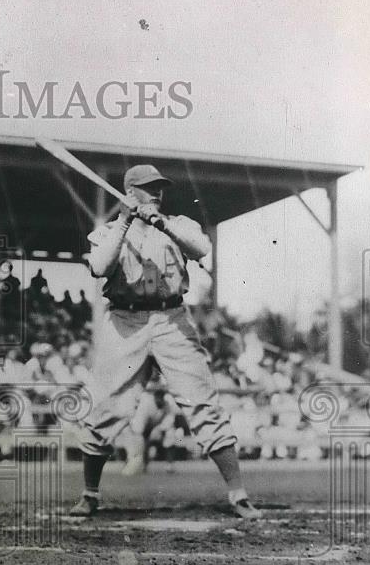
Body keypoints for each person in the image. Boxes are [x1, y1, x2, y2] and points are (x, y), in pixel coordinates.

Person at [70, 164, 263, 520]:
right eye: (148, 187)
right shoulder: (109, 231)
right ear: (130, 192)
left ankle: (238, 493)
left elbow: (201, 248)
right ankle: (89, 494)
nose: (157, 192)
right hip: (125, 322)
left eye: (159, 187)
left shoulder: (179, 224)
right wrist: (126, 221)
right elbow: (99, 267)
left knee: (202, 402)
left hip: (172, 319)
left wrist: (161, 224)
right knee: (107, 408)